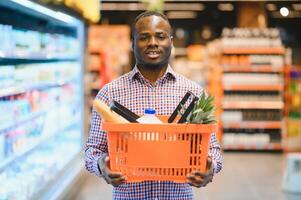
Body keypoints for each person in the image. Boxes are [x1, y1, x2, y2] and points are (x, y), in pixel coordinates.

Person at [85, 11, 222, 200]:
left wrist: (210, 168)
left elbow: (213, 149)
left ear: (171, 42)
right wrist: (102, 165)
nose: (153, 42)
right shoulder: (110, 93)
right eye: (144, 37)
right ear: (133, 43)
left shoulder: (194, 93)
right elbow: (93, 150)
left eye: (160, 36)